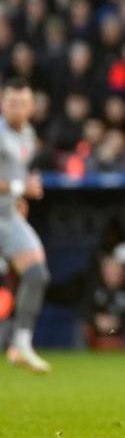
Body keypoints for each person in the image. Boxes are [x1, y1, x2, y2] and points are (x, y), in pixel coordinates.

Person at [0, 78, 51, 373]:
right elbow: (17, 181)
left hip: (8, 217)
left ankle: (20, 344)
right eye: (12, 102)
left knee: (36, 275)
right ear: (3, 104)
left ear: (32, 107)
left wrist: (19, 199)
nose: (18, 108)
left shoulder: (28, 135)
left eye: (23, 103)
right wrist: (21, 188)